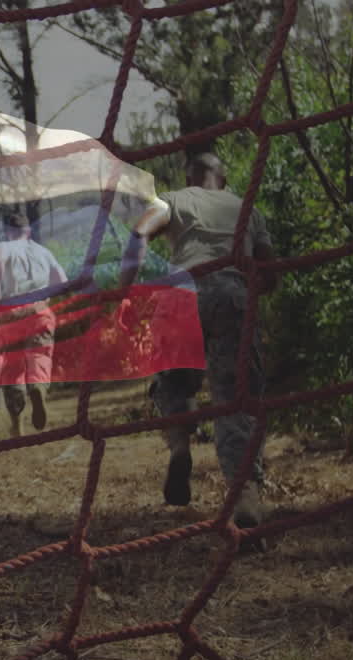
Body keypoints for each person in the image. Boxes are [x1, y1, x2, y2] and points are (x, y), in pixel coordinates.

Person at [117, 152, 275, 531]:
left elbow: (140, 231)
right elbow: (270, 275)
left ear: (190, 176)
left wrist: (127, 291)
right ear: (223, 178)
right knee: (234, 397)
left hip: (181, 295)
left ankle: (180, 447)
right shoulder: (247, 208)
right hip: (232, 293)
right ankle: (244, 494)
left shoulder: (174, 200)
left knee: (171, 381)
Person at [0, 213, 68, 437]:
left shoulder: (5, 245)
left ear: (8, 231)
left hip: (12, 310)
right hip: (39, 308)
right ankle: (38, 388)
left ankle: (17, 424)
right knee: (40, 355)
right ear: (29, 231)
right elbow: (62, 281)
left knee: (13, 366)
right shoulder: (43, 251)